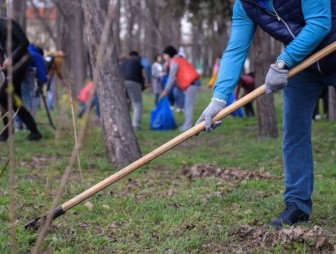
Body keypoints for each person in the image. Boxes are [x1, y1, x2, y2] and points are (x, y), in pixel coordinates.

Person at [196, 0, 336, 229]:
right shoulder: (244, 6)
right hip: (303, 66)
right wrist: (219, 98)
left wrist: (282, 62)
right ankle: (297, 205)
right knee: (294, 135)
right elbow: (235, 50)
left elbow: (319, 24)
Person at [0, 18, 42, 141]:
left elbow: (25, 42)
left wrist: (11, 58)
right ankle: (34, 131)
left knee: (2, 95)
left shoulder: (10, 24)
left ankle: (8, 130)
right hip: (9, 67)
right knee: (15, 98)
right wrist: (2, 62)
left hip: (20, 63)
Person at [160, 46, 201, 131]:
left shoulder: (174, 61)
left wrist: (165, 91)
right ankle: (186, 124)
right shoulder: (179, 59)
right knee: (187, 105)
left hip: (191, 83)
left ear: (168, 54)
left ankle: (188, 126)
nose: (163, 57)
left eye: (164, 55)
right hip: (192, 83)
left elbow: (171, 77)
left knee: (188, 106)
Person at [15, 43, 49, 130]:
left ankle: (18, 124)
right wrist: (43, 80)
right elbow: (41, 72)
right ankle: (28, 124)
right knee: (27, 99)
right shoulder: (37, 55)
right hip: (26, 76)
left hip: (15, 75)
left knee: (18, 100)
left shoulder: (24, 50)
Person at [120, 51, 146, 130]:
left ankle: (123, 124)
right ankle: (136, 125)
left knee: (125, 103)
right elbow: (146, 67)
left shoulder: (124, 62)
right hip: (133, 81)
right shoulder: (138, 60)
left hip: (121, 82)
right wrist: (146, 81)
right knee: (137, 103)